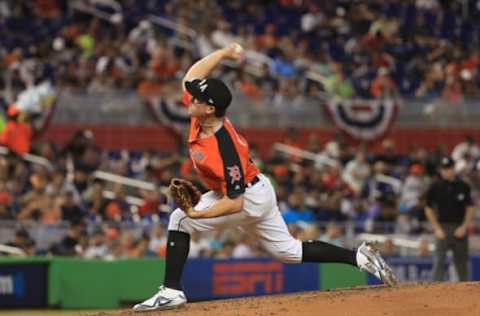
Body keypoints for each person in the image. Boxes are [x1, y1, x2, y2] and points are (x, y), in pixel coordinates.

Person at [133, 43, 397, 312]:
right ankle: (359, 256)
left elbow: (235, 203)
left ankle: (171, 291)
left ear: (210, 108)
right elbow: (190, 76)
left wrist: (196, 214)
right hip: (255, 187)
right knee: (290, 252)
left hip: (247, 198)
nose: (189, 99)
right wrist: (223, 53)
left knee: (180, 219)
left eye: (196, 99)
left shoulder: (224, 148)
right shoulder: (201, 117)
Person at [425, 156, 476, 281]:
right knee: (439, 261)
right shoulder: (435, 186)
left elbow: (470, 207)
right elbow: (428, 208)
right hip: (442, 227)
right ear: (441, 170)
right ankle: (435, 291)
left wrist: (464, 226)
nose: (446, 171)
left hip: (459, 227)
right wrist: (437, 228)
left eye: (449, 168)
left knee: (462, 262)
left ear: (454, 169)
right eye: (444, 169)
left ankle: (465, 292)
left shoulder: (463, 186)